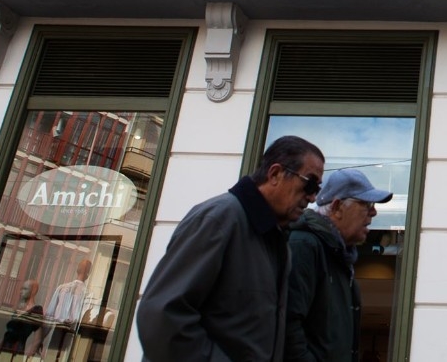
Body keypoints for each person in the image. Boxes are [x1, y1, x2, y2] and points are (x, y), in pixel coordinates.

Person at [137, 135, 325, 362]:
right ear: (275, 174)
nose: (313, 196)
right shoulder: (218, 219)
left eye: (318, 188)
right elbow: (162, 317)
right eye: (310, 183)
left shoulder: (277, 240)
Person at [285, 168, 394, 362]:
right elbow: (288, 326)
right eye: (366, 204)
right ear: (337, 207)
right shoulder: (305, 246)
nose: (374, 212)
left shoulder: (340, 256)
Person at [0, 279, 42, 355]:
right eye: (21, 289)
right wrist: (1, 343)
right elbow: (9, 332)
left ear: (33, 291)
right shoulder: (19, 308)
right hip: (4, 346)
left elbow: (38, 333)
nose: (21, 292)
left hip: (17, 348)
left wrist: (32, 350)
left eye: (25, 289)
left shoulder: (36, 310)